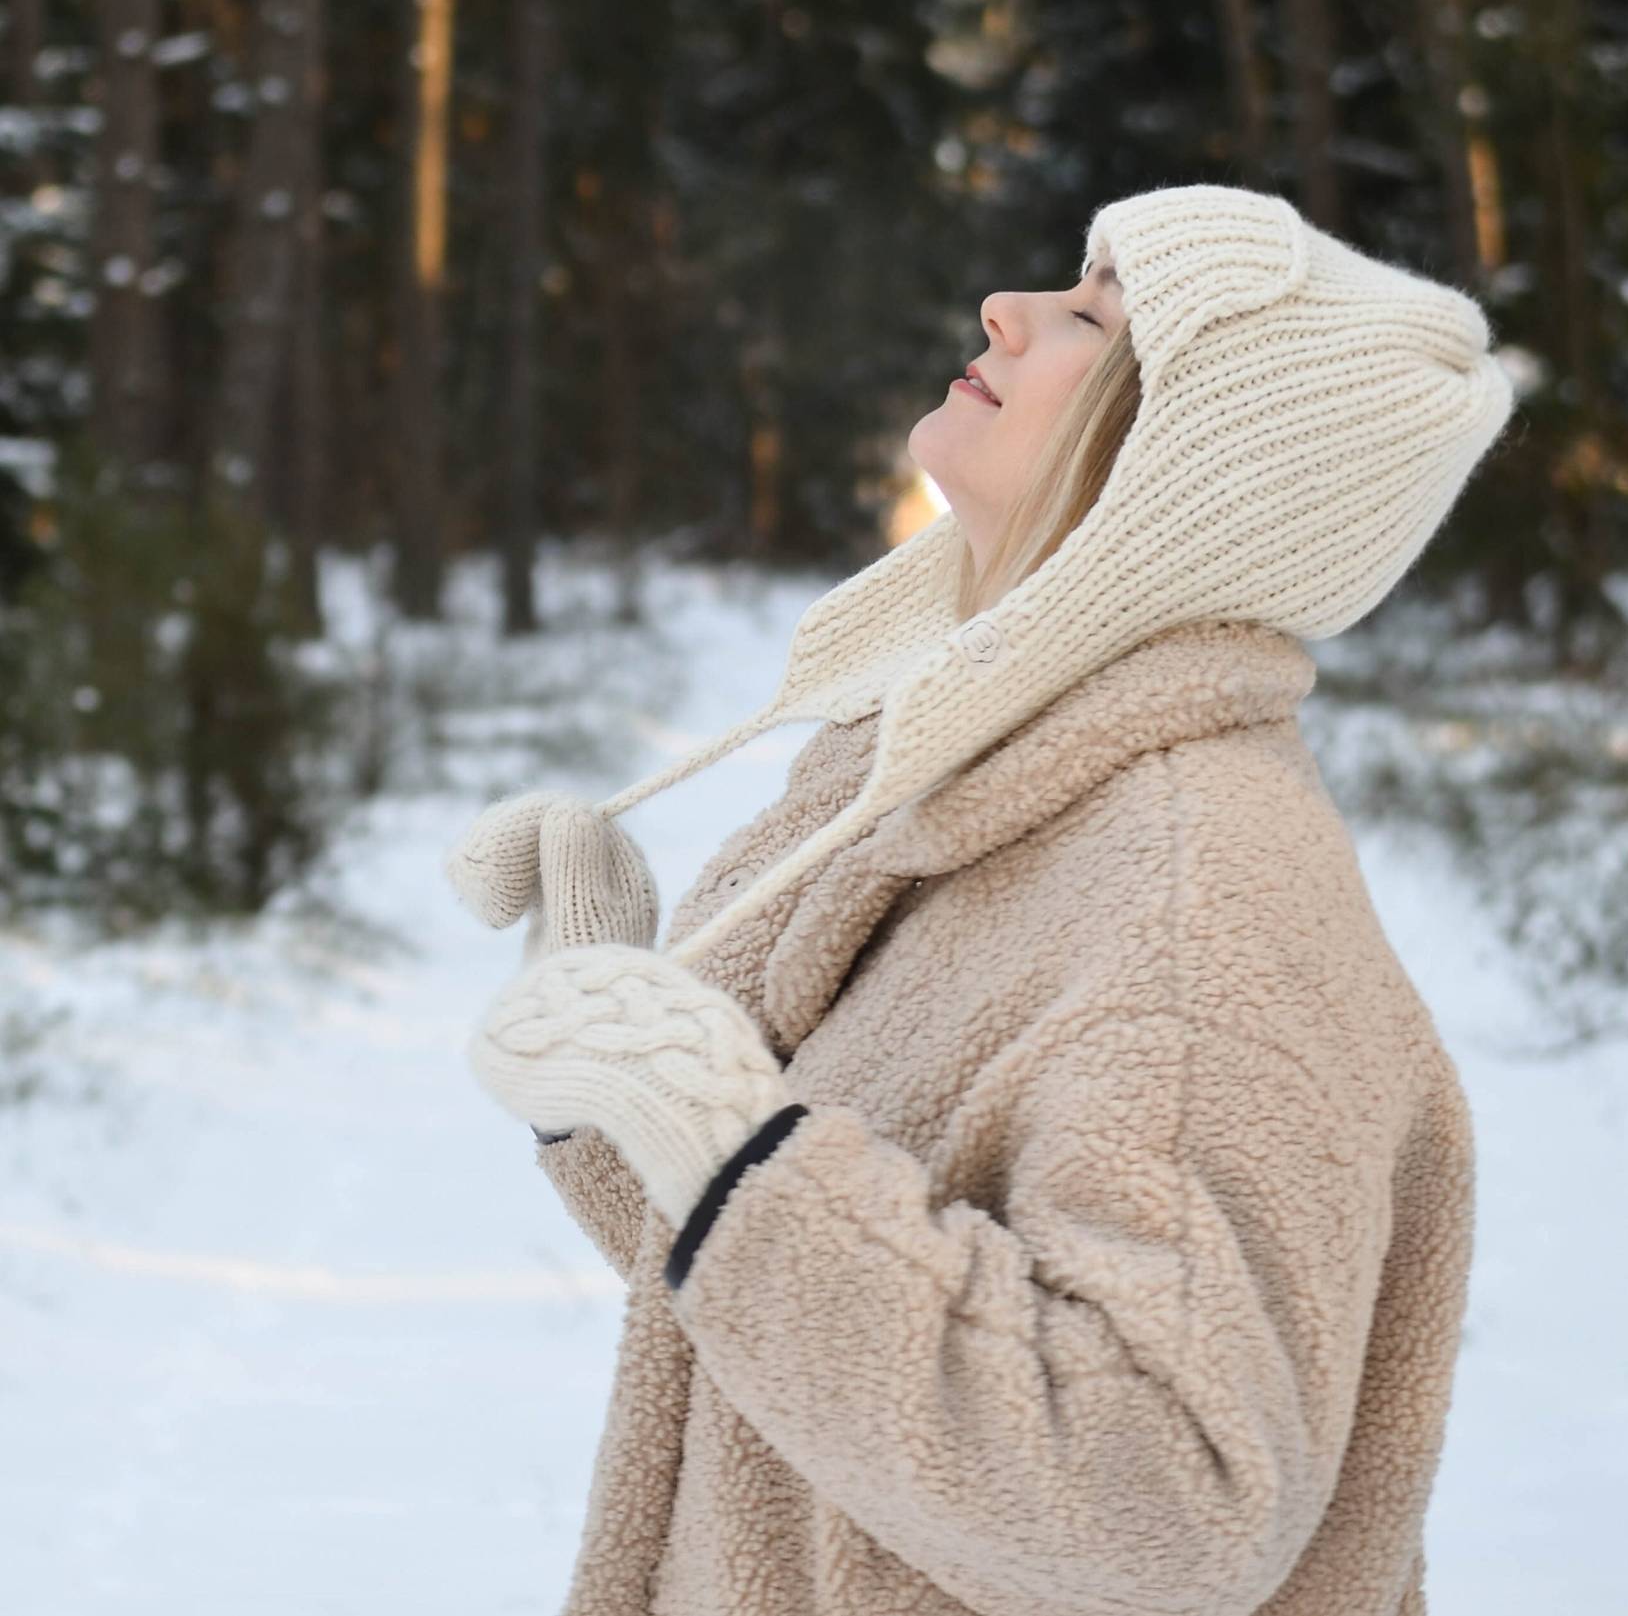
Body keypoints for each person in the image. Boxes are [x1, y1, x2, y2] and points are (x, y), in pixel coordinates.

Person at [447, 181, 1516, 1616]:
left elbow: (1170, 1494)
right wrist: (610, 1023)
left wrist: (713, 1124)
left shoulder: (1196, 894)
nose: (1005, 309)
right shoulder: (974, 788)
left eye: (1094, 314)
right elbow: (760, 1269)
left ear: (1188, 466)